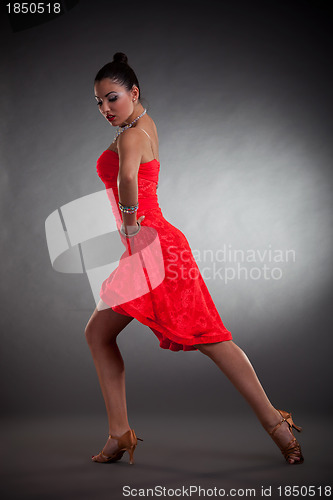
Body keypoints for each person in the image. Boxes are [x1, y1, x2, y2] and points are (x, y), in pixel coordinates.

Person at [85, 52, 304, 466]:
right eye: (98, 102)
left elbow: (127, 178)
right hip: (152, 248)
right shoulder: (141, 123)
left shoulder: (132, 136)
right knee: (101, 333)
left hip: (153, 248)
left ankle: (276, 422)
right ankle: (119, 433)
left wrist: (130, 226)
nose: (104, 109)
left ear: (134, 92)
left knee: (211, 338)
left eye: (112, 98)